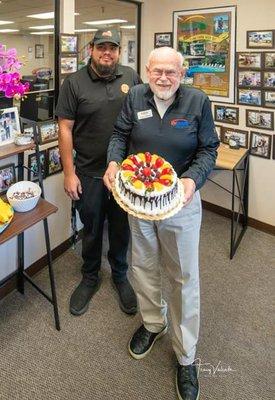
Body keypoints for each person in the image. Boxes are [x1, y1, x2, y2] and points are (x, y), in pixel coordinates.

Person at [103, 47, 219, 400]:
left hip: (180, 202)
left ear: (182, 74)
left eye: (171, 72)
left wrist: (191, 181)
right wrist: (112, 162)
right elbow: (120, 135)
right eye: (158, 72)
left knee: (183, 276)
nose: (164, 78)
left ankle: (186, 355)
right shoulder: (136, 95)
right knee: (143, 266)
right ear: (148, 72)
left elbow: (208, 149)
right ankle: (154, 323)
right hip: (140, 201)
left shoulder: (197, 102)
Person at [55, 28, 142, 317]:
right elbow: (65, 129)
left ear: (119, 51)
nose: (108, 52)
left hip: (123, 174)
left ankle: (120, 274)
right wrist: (69, 173)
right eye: (101, 46)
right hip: (89, 172)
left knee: (120, 228)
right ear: (90, 49)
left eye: (113, 48)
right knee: (91, 229)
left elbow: (144, 115)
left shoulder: (130, 77)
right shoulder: (74, 82)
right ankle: (90, 276)